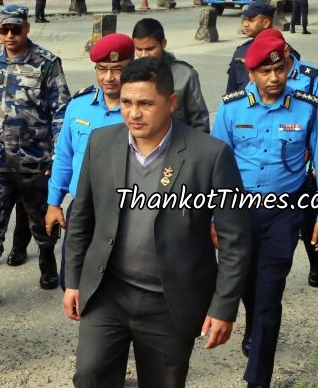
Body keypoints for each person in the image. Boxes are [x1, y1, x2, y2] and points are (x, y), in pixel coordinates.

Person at [64, 57, 251, 388]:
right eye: (126, 102)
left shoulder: (209, 155)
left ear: (171, 102)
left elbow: (235, 240)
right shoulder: (101, 142)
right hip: (108, 291)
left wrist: (224, 307)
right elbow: (82, 217)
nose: (133, 113)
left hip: (170, 300)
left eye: (145, 103)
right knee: (90, 376)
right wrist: (74, 280)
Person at [212, 30, 318, 388]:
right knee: (246, 286)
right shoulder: (231, 107)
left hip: (284, 212)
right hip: (238, 211)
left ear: (287, 68)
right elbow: (215, 166)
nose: (273, 78)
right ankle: (253, 323)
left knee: (269, 293)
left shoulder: (306, 106)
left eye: (279, 70)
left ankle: (258, 379)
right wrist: (211, 217)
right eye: (265, 73)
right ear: (250, 74)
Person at [0, 5, 71, 307]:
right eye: (3, 30)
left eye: (15, 29)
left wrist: (55, 155)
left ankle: (47, 259)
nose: (9, 35)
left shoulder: (46, 63)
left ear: (26, 27)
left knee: (41, 220)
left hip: (35, 161)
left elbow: (60, 112)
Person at [247, 28, 318, 288]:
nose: (273, 76)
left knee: (310, 219)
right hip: (275, 158)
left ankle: (317, 263)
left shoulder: (312, 76)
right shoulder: (258, 74)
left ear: (285, 51)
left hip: (307, 159)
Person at [44, 33, 133, 288]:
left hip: (125, 210)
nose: (108, 78)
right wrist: (54, 203)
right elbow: (64, 156)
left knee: (118, 283)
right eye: (101, 69)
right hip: (83, 208)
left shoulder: (139, 109)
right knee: (72, 279)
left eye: (117, 70)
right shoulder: (79, 105)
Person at [131, 18, 210, 132]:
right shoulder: (130, 74)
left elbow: (200, 123)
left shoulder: (185, 75)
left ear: (163, 43)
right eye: (139, 49)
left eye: (150, 48)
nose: (144, 55)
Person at [225, 3, 300, 95]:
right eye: (245, 20)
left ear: (266, 23)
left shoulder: (284, 52)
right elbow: (232, 89)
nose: (246, 24)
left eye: (251, 20)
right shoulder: (240, 51)